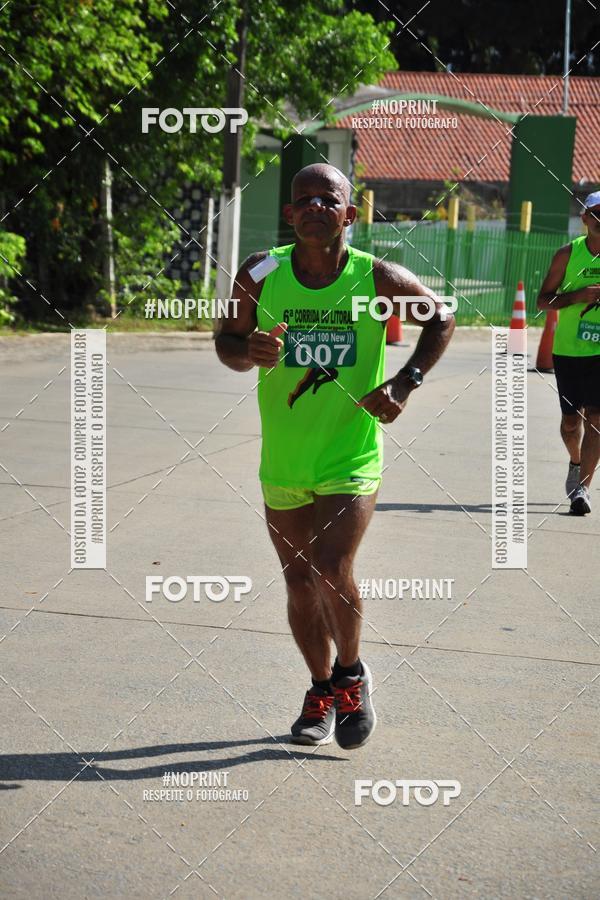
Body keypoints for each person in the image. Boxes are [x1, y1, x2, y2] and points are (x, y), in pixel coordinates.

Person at [215, 163, 454, 749]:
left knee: (328, 567)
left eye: (330, 199)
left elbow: (442, 316)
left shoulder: (376, 278)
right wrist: (248, 350)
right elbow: (225, 343)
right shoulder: (261, 272)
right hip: (286, 459)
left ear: (350, 215)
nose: (316, 207)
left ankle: (351, 673)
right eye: (304, 200)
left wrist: (406, 381)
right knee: (298, 581)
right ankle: (320, 688)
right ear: (290, 214)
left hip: (351, 453)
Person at [537, 190, 600, 516]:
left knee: (597, 419)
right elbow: (542, 300)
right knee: (570, 423)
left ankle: (583, 489)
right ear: (585, 218)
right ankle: (575, 461)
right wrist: (578, 296)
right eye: (597, 213)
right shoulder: (567, 254)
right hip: (569, 350)